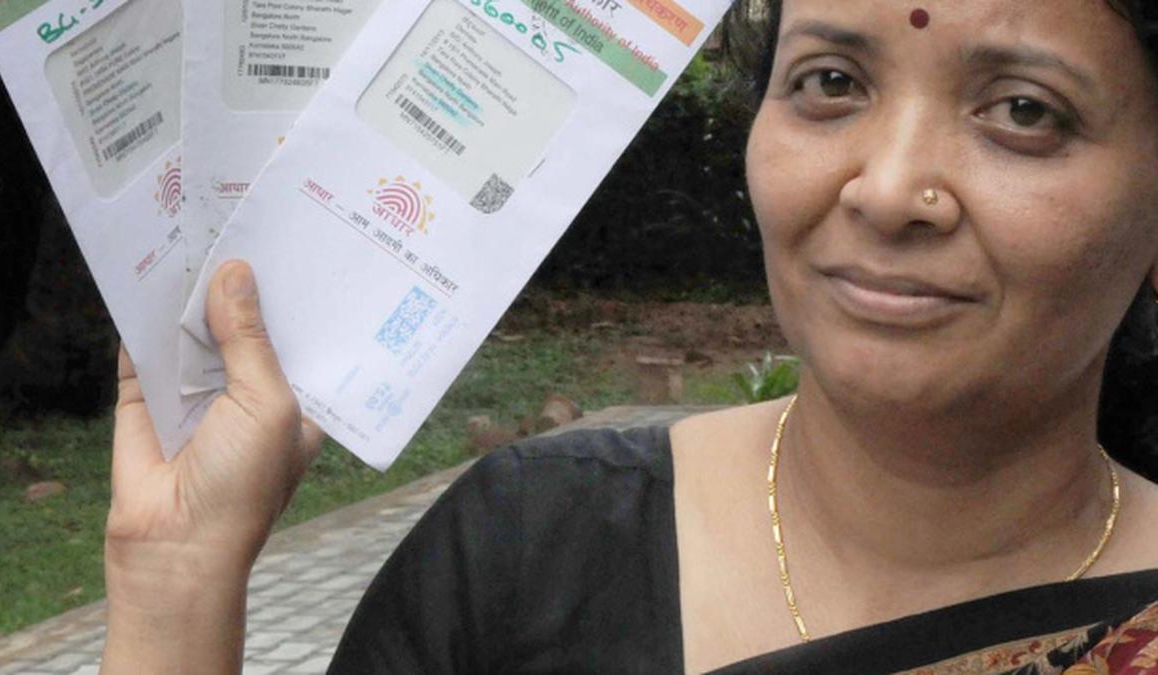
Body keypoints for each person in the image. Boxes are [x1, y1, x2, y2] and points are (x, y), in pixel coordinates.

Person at [100, 0, 1158, 672]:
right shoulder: (526, 550)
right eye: (831, 83)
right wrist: (177, 576)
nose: (885, 191)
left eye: (1024, 111)